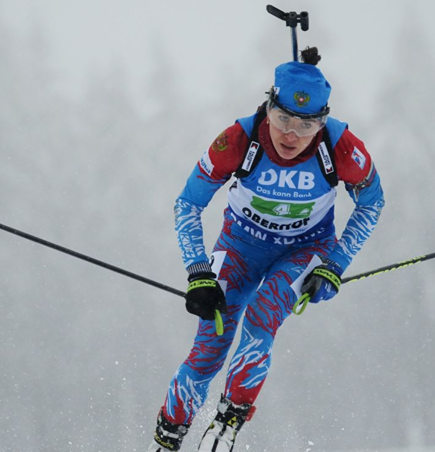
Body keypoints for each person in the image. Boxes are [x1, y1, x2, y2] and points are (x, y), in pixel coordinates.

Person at [147, 47, 384, 452]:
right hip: (239, 248)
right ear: (268, 108)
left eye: (306, 124)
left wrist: (335, 263)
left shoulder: (342, 146)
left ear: (322, 122)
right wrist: (198, 271)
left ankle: (228, 423)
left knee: (261, 317)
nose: (291, 134)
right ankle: (167, 437)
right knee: (209, 346)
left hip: (303, 250)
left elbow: (372, 202)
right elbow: (188, 203)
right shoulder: (237, 139)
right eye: (282, 118)